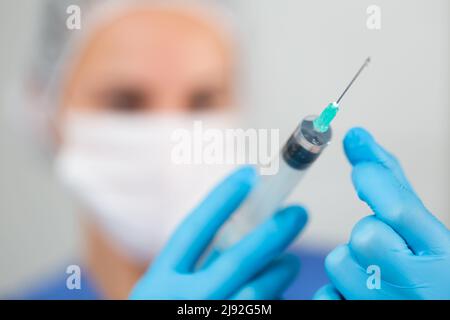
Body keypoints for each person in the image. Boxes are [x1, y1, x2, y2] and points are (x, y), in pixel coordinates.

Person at [16, 0, 450, 300]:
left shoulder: (344, 283)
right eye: (125, 102)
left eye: (203, 100)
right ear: (47, 112)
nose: (171, 133)